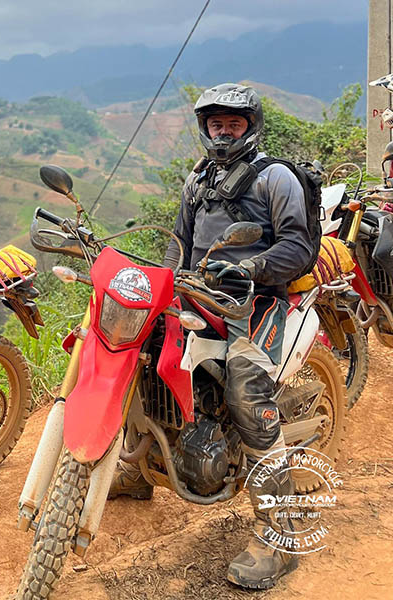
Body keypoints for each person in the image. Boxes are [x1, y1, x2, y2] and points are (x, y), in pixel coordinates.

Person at [111, 83, 313, 591]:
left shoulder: (275, 177)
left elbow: (299, 246)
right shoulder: (200, 177)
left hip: (258, 301)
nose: (224, 131)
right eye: (216, 123)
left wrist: (250, 268)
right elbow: (179, 241)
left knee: (244, 387)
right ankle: (139, 470)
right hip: (199, 293)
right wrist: (161, 283)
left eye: (234, 123)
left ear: (251, 125)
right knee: (142, 349)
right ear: (206, 128)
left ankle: (280, 535)